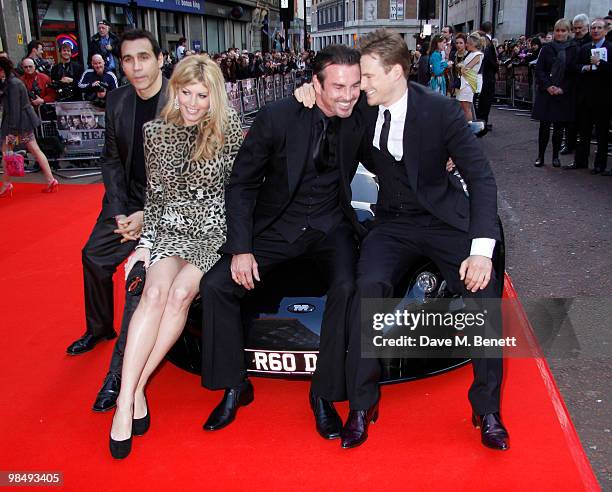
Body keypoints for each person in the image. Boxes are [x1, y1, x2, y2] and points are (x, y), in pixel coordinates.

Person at [350, 28, 507, 450]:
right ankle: (362, 404)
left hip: (442, 219)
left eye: (367, 76)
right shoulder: (362, 110)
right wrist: (306, 95)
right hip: (393, 223)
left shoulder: (440, 111)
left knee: (483, 293)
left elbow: (481, 178)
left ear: (396, 73)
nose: (361, 84)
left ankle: (487, 408)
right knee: (368, 287)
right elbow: (325, 109)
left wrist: (480, 252)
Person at [199, 45, 366, 439]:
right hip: (278, 226)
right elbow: (241, 183)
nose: (347, 95)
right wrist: (242, 247)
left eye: (354, 86)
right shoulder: (277, 117)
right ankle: (234, 384)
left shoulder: (362, 114)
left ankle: (323, 394)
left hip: (330, 227)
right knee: (216, 286)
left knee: (347, 285)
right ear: (315, 84)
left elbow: (406, 113)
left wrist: (444, 155)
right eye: (338, 86)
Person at [109, 55, 243, 460]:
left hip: (211, 232)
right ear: (175, 89)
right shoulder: (155, 132)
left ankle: (130, 392)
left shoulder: (228, 129)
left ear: (214, 95)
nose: (193, 103)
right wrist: (145, 247)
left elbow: (245, 185)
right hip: (169, 228)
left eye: (202, 95)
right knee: (153, 294)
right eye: (186, 92)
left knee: (182, 292)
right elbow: (156, 197)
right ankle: (126, 403)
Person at [66, 30, 167, 360]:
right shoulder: (117, 100)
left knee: (140, 279)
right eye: (128, 59)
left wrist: (147, 216)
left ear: (160, 60)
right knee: (93, 257)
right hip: (128, 199)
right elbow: (110, 159)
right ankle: (98, 329)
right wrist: (120, 210)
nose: (136, 67)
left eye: (143, 57)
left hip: (171, 204)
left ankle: (127, 363)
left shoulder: (182, 101)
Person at [0, 57, 58, 197]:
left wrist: (12, 132)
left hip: (18, 124)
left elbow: (14, 109)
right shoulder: (13, 82)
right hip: (23, 123)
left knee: (7, 150)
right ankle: (50, 180)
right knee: (33, 149)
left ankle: (7, 184)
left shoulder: (13, 84)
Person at [565, 19, 611, 174]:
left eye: (599, 28)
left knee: (601, 133)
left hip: (603, 98)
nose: (596, 30)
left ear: (605, 31)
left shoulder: (610, 48)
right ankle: (580, 161)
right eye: (593, 28)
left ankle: (600, 165)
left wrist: (600, 63)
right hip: (585, 97)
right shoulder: (584, 48)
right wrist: (584, 67)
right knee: (583, 131)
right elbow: (574, 67)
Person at [531, 19, 577, 168]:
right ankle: (540, 156)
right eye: (557, 30)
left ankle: (555, 156)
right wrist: (548, 86)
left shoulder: (573, 49)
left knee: (558, 129)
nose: (560, 33)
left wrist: (562, 88)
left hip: (563, 94)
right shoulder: (546, 48)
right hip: (547, 93)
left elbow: (572, 73)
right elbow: (540, 70)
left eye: (563, 30)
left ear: (569, 32)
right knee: (544, 127)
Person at [560, 13, 592, 155]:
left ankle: (581, 147)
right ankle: (569, 143)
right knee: (570, 117)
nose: (578, 31)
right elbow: (569, 64)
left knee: (584, 120)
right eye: (575, 28)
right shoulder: (572, 43)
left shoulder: (591, 42)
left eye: (581, 28)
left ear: (587, 27)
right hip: (572, 84)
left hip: (586, 86)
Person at [456, 33, 484, 121]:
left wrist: (461, 66)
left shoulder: (477, 54)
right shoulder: (472, 53)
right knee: (463, 107)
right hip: (464, 82)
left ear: (473, 44)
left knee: (466, 108)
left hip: (468, 83)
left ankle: (469, 129)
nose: (466, 45)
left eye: (467, 43)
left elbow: (467, 68)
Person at [476, 22, 498, 131]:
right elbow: (489, 58)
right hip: (487, 75)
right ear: (491, 29)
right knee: (485, 99)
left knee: (483, 99)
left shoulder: (482, 39)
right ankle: (483, 122)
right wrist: (496, 66)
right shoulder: (487, 41)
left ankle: (482, 121)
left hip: (484, 74)